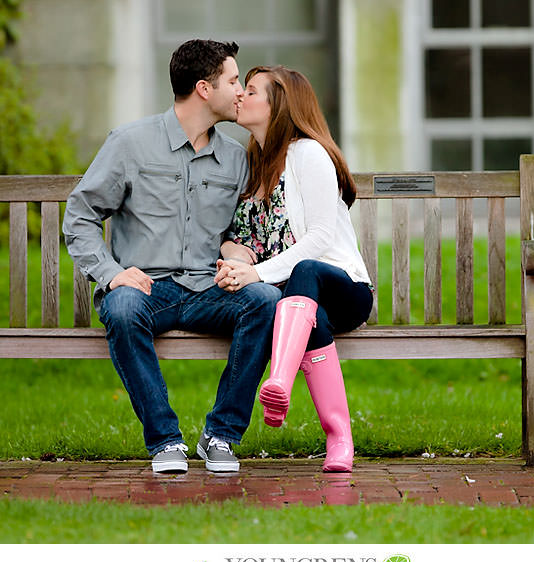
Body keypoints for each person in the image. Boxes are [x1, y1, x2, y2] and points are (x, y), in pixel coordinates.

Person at [62, 40, 282, 474]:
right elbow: (80, 215)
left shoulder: (235, 159)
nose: (241, 91)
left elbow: (239, 231)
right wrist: (111, 274)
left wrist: (237, 255)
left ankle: (221, 435)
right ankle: (165, 441)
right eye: (234, 81)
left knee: (266, 302)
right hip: (147, 288)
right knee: (122, 308)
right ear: (204, 88)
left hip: (206, 288)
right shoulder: (129, 144)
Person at [214, 66, 373, 472]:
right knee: (306, 312)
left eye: (250, 91)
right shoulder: (256, 163)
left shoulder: (309, 154)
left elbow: (319, 237)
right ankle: (340, 441)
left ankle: (280, 382)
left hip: (343, 289)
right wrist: (233, 254)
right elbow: (241, 235)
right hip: (299, 310)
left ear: (278, 105)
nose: (240, 97)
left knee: (306, 269)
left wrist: (258, 274)